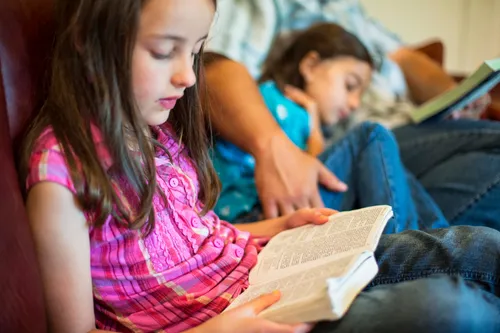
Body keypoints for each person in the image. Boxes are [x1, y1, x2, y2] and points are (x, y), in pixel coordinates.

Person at [21, 0, 500, 333]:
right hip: (246, 319)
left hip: (267, 272)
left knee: (483, 247)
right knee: (454, 310)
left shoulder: (153, 128)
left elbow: (197, 237)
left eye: (194, 51)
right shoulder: (61, 179)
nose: (188, 76)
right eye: (165, 51)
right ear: (88, 38)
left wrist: (280, 225)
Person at [204, 0, 500, 226]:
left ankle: (445, 251)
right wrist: (313, 125)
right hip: (254, 215)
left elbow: (307, 163)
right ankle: (424, 251)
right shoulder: (274, 99)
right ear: (309, 66)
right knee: (371, 136)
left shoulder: (351, 13)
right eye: (349, 85)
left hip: (273, 206)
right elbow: (302, 168)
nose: (355, 103)